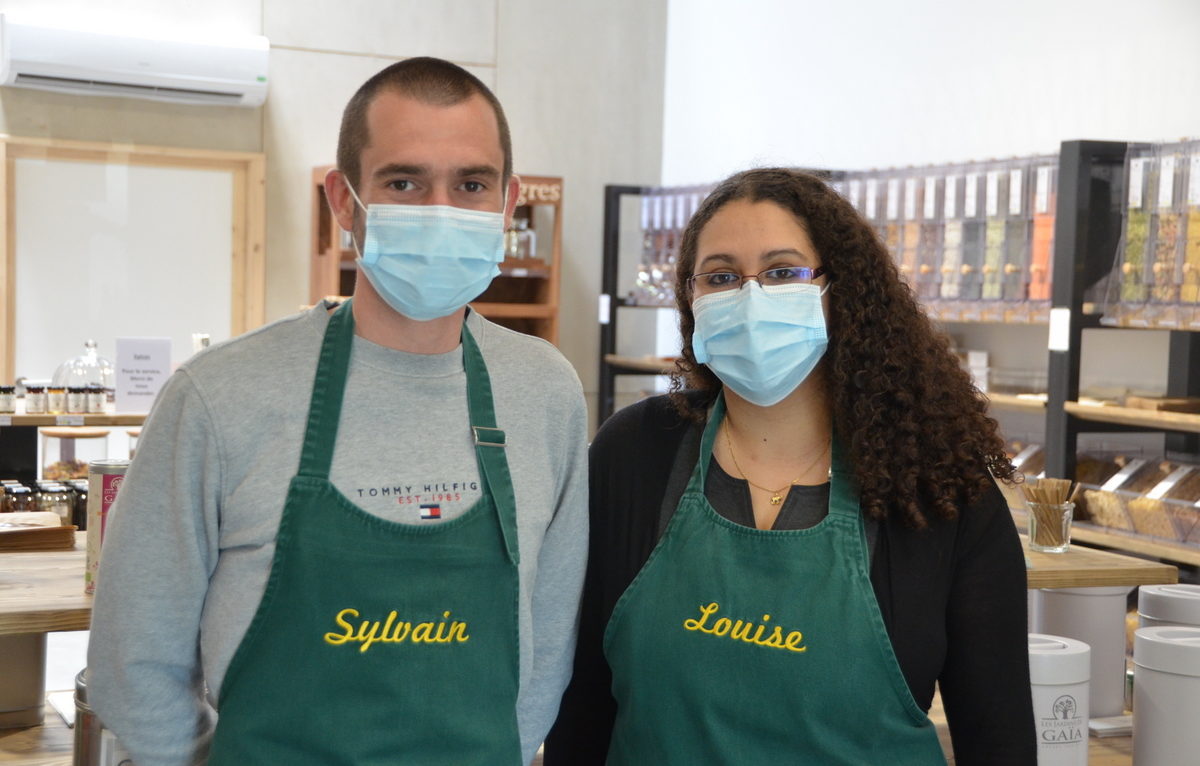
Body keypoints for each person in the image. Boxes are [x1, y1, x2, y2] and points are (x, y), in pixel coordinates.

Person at [88, 57, 588, 766]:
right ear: (345, 200)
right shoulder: (218, 396)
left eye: (470, 184)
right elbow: (131, 659)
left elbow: (546, 647)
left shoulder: (545, 394)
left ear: (508, 204)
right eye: (404, 182)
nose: (439, 209)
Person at [545, 168, 1036, 764]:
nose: (750, 297)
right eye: (721, 277)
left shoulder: (934, 485)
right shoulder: (636, 451)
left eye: (782, 272)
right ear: (690, 298)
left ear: (841, 292)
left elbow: (999, 737)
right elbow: (586, 704)